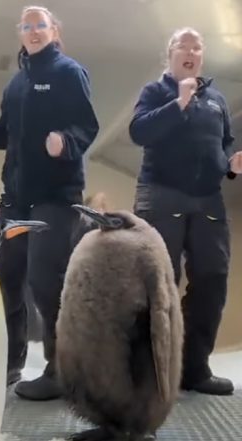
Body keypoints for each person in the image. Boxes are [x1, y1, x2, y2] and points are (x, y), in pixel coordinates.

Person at [0, 5, 98, 400]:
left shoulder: (70, 73)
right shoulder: (17, 84)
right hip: (16, 199)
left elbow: (87, 125)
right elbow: (5, 137)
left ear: (54, 30)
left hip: (56, 196)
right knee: (8, 277)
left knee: (44, 278)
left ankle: (61, 369)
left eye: (41, 24)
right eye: (27, 25)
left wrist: (65, 143)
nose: (33, 30)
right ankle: (11, 362)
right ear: (20, 33)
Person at [129, 27, 242, 395]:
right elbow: (139, 132)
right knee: (156, 282)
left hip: (208, 199)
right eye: (183, 46)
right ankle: (149, 373)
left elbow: (222, 145)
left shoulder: (217, 100)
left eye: (197, 47)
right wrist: (177, 103)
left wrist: (231, 164)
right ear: (170, 55)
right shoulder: (155, 92)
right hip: (161, 195)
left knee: (213, 279)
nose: (190, 52)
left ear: (201, 57)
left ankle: (194, 369)